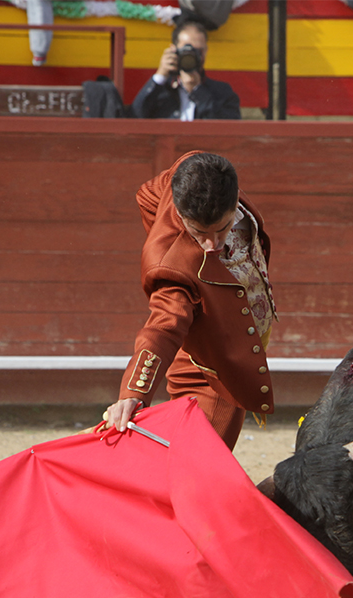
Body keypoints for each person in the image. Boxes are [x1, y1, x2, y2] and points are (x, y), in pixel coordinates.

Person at [100, 151, 275, 450]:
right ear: (181, 215)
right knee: (201, 463)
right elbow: (163, 327)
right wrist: (133, 393)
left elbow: (148, 192)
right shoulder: (175, 268)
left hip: (227, 345)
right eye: (199, 232)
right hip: (213, 368)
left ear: (235, 201)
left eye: (222, 228)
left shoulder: (200, 174)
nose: (211, 245)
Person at [131, 19, 241, 121]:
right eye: (186, 50)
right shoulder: (160, 91)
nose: (192, 55)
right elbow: (134, 117)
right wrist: (160, 76)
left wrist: (198, 91)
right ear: (173, 50)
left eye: (198, 51)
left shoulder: (222, 92)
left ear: (206, 51)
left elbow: (228, 128)